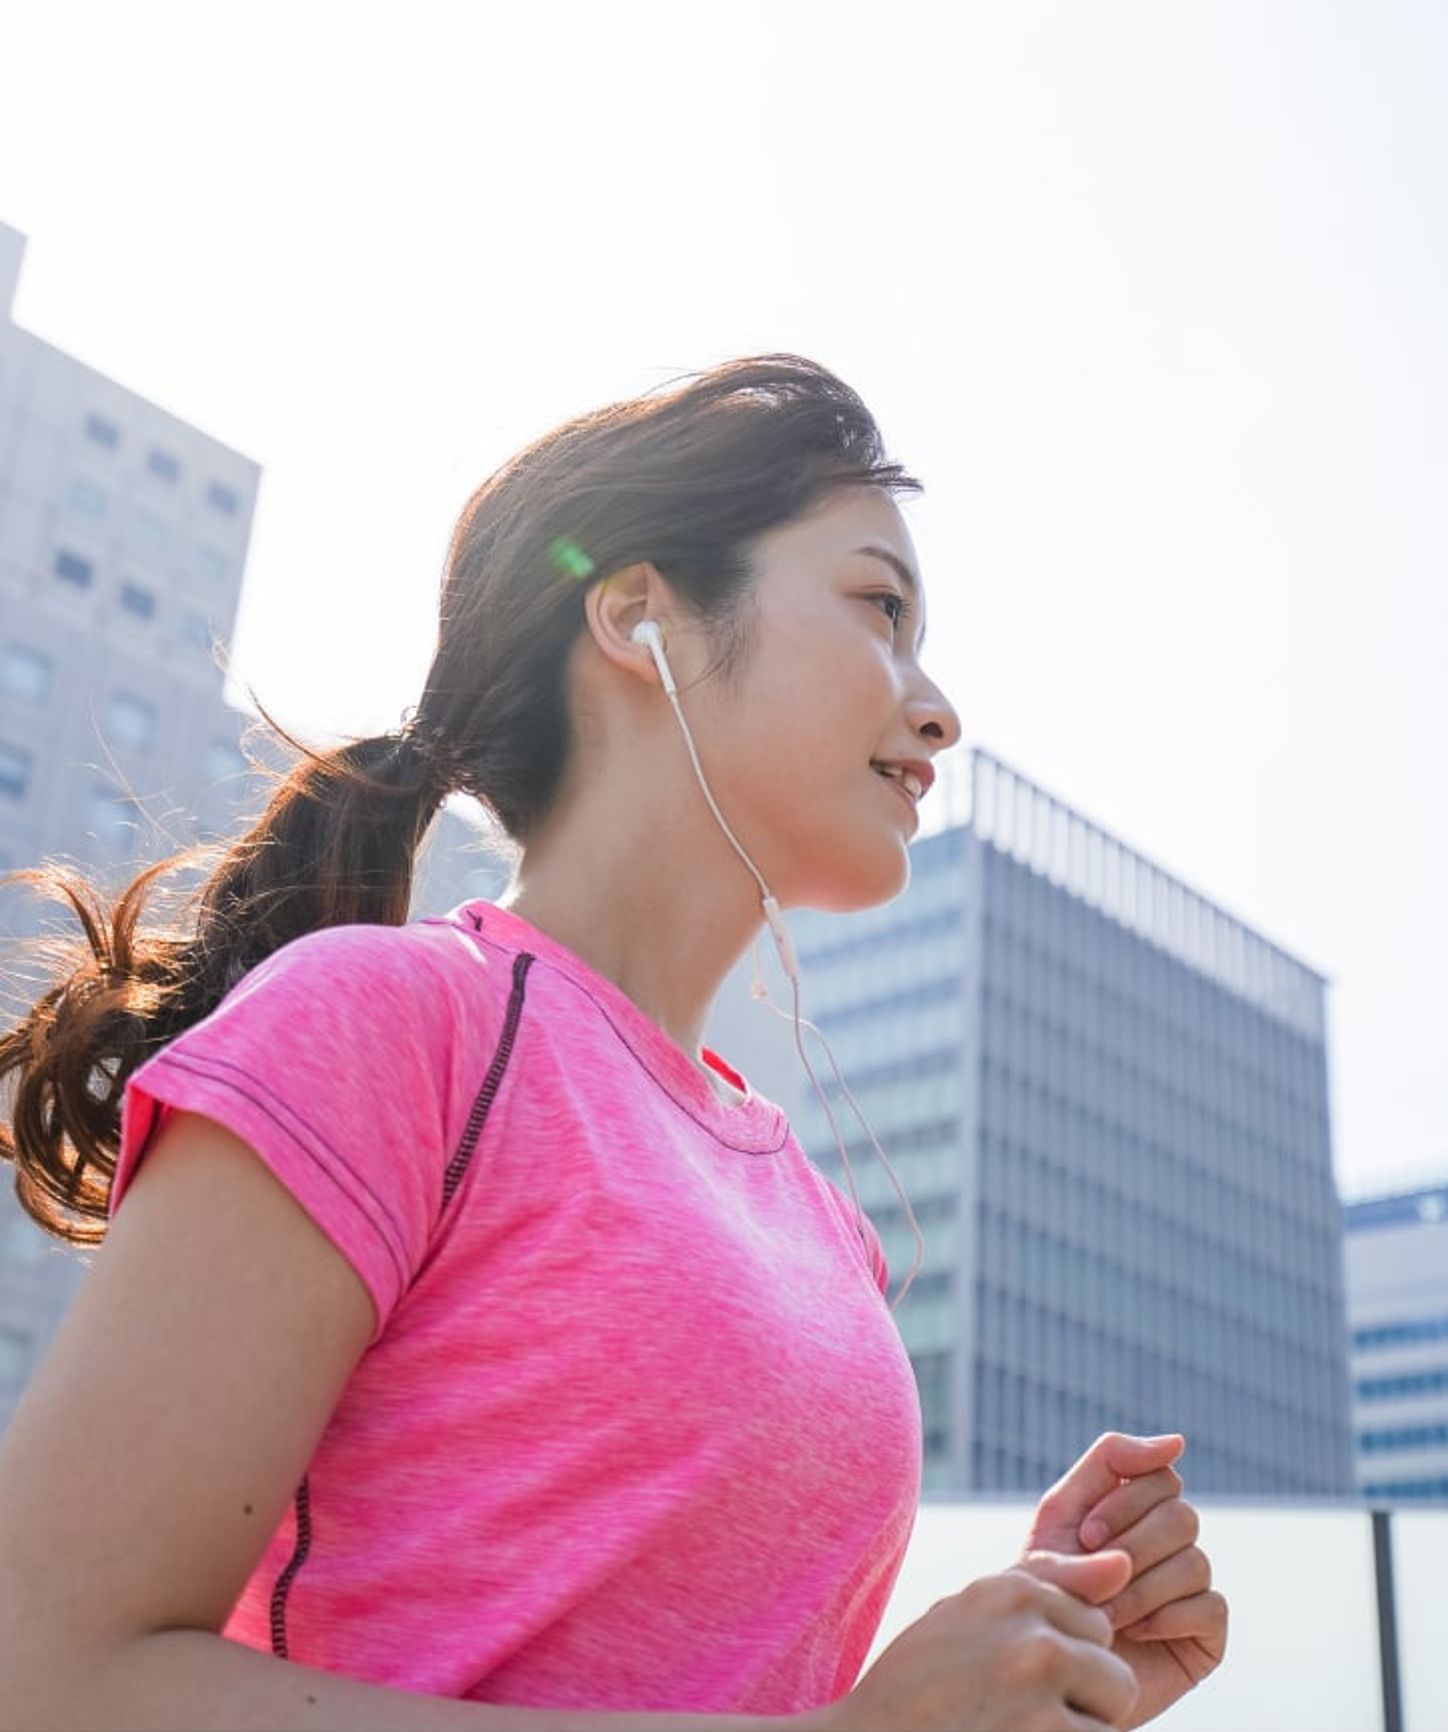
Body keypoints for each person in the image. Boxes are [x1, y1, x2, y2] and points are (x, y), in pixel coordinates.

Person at [0, 353, 1226, 1730]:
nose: (937, 706)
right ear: (641, 618)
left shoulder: (823, 1224)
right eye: (881, 608)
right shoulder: (389, 1021)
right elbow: (53, 1680)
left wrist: (1033, 1651)